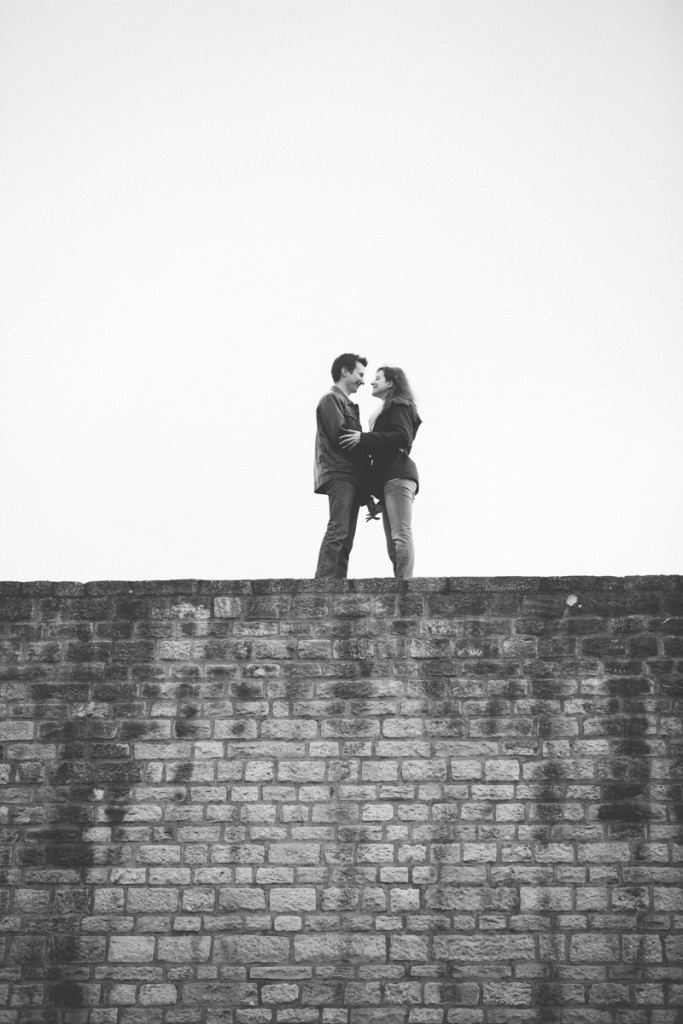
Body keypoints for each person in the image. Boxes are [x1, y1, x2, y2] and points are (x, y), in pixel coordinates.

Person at [340, 366, 421, 579]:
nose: (372, 382)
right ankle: (401, 585)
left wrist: (363, 438)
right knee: (393, 543)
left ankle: (405, 587)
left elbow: (402, 437)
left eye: (378, 378)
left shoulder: (399, 403)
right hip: (390, 479)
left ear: (391, 382)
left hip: (398, 475)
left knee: (400, 535)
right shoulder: (387, 407)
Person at [314, 353, 375, 578]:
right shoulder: (330, 400)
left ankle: (337, 586)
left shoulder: (345, 403)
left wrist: (367, 493)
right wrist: (370, 442)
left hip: (351, 476)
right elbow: (343, 437)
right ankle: (323, 585)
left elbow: (355, 446)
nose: (363, 380)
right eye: (360, 374)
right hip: (341, 474)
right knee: (338, 530)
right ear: (345, 372)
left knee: (346, 537)